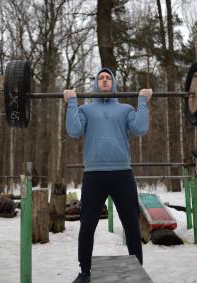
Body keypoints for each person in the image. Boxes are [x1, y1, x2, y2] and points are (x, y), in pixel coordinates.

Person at [64, 67, 152, 283]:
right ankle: (85, 272)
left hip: (122, 173)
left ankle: (136, 269)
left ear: (114, 84)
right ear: (95, 84)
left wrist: (142, 101)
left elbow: (140, 128)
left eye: (108, 78)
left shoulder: (124, 109)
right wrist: (71, 102)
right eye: (100, 78)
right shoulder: (86, 109)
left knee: (131, 223)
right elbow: (74, 131)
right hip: (94, 175)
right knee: (88, 224)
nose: (104, 81)